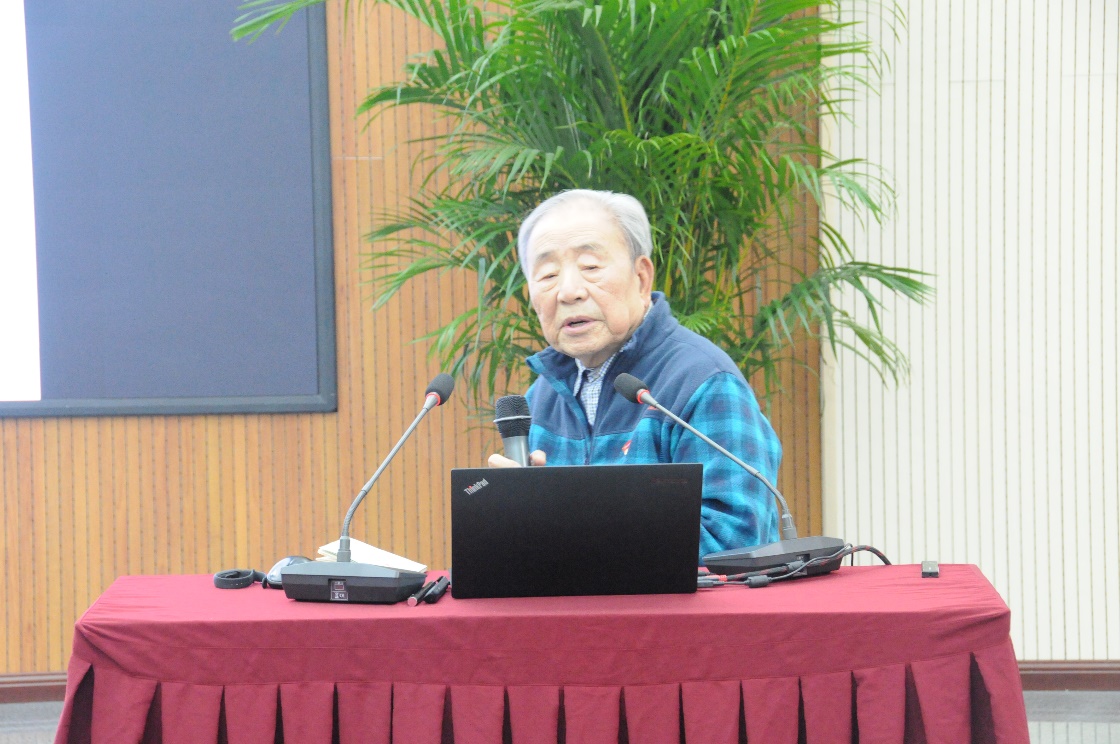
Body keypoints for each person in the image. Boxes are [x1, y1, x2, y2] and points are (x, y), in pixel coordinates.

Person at [487, 189, 781, 556]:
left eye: (590, 267)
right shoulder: (541, 398)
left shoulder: (703, 382)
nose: (568, 291)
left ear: (641, 278)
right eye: (547, 275)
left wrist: (565, 522)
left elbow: (734, 544)